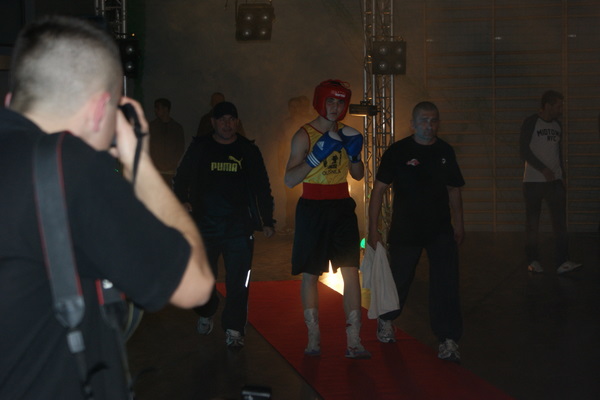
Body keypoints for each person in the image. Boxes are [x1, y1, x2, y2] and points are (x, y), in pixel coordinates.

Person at [0, 15, 214, 399]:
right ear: (102, 110)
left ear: (10, 100)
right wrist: (138, 161)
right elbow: (195, 285)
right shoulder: (69, 167)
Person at [368, 101, 464, 363]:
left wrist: (459, 223)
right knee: (399, 279)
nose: (428, 125)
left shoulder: (445, 151)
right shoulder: (398, 151)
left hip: (439, 229)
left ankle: (448, 338)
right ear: (412, 124)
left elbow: (454, 189)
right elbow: (379, 190)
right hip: (405, 229)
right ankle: (386, 320)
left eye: (433, 120)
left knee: (446, 284)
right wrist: (373, 229)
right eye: (423, 120)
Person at [174, 101, 275, 348]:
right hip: (204, 225)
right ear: (213, 122)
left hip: (239, 228)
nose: (227, 124)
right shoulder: (200, 147)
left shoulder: (248, 150)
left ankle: (234, 328)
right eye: (222, 120)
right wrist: (182, 200)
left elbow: (262, 186)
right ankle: (207, 310)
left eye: (231, 119)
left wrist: (267, 220)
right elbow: (181, 177)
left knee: (238, 282)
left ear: (237, 122)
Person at [284, 79, 370, 359]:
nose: (335, 107)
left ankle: (354, 339)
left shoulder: (348, 135)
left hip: (342, 207)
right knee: (310, 274)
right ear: (320, 101)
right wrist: (313, 159)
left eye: (340, 102)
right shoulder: (304, 135)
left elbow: (358, 175)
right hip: (312, 208)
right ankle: (313, 336)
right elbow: (288, 180)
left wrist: (355, 155)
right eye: (330, 101)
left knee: (351, 271)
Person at [519, 90, 582, 274]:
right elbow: (524, 151)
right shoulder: (531, 122)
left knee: (560, 222)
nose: (561, 110)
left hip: (554, 182)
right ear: (547, 106)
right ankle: (533, 260)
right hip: (533, 181)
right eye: (558, 106)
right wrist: (543, 169)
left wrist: (562, 176)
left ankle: (562, 261)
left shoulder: (557, 126)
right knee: (533, 223)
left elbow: (557, 153)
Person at [148, 97, 185, 185]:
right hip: (156, 169)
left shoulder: (176, 128)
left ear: (166, 109)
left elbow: (180, 148)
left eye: (158, 108)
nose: (155, 110)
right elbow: (148, 147)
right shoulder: (152, 127)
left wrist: (171, 163)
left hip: (170, 170)